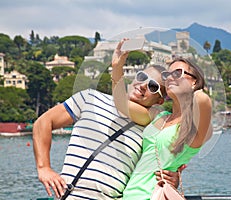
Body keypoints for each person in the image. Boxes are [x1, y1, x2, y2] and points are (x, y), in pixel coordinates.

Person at [32, 41, 184, 199]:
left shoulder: (153, 127)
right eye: (142, 77)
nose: (143, 85)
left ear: (159, 101)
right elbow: (43, 122)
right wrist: (44, 168)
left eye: (153, 86)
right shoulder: (90, 98)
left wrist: (173, 178)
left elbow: (160, 163)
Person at [112, 57, 213, 199]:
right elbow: (121, 102)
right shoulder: (159, 116)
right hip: (129, 195)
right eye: (167, 75)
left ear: (194, 81)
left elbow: (203, 100)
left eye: (177, 73)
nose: (170, 77)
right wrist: (117, 67)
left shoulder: (192, 128)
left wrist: (193, 90)